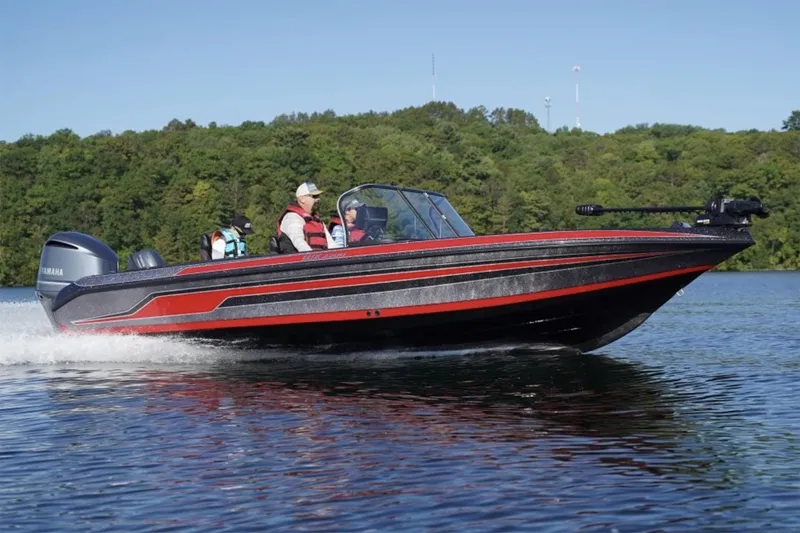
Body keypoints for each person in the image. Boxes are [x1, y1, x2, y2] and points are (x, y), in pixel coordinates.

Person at [276, 181, 338, 253]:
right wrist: (314, 258)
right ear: (302, 199)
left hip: (319, 260)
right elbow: (299, 242)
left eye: (318, 196)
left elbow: (332, 244)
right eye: (314, 196)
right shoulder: (292, 217)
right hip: (300, 262)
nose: (318, 199)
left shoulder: (316, 220)